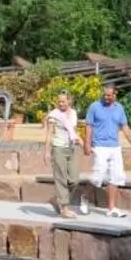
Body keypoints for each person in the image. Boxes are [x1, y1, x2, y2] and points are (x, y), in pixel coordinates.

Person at [85, 84, 131, 214]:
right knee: (97, 176)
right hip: (99, 146)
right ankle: (85, 198)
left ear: (115, 94)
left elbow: (125, 127)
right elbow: (89, 127)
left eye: (109, 95)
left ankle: (111, 208)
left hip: (115, 147)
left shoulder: (119, 108)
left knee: (116, 176)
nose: (106, 97)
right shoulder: (94, 107)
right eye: (104, 95)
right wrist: (87, 144)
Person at [45, 90, 85, 218]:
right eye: (59, 101)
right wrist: (46, 151)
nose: (60, 103)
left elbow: (72, 131)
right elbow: (49, 133)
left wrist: (82, 142)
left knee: (74, 180)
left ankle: (58, 199)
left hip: (72, 148)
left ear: (69, 101)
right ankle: (64, 208)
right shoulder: (54, 115)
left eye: (63, 101)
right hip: (58, 148)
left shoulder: (73, 113)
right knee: (61, 178)